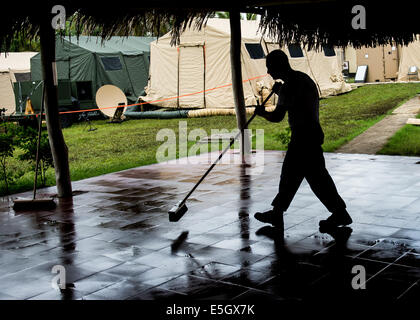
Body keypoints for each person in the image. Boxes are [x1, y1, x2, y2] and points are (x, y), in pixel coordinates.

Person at [254, 49, 352, 231]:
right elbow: (300, 101)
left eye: (270, 67)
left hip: (302, 138)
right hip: (313, 133)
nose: (269, 72)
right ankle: (279, 212)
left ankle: (339, 213)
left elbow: (277, 117)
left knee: (309, 178)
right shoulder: (303, 79)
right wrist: (280, 91)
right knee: (301, 177)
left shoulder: (289, 86)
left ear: (279, 66)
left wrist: (262, 113)